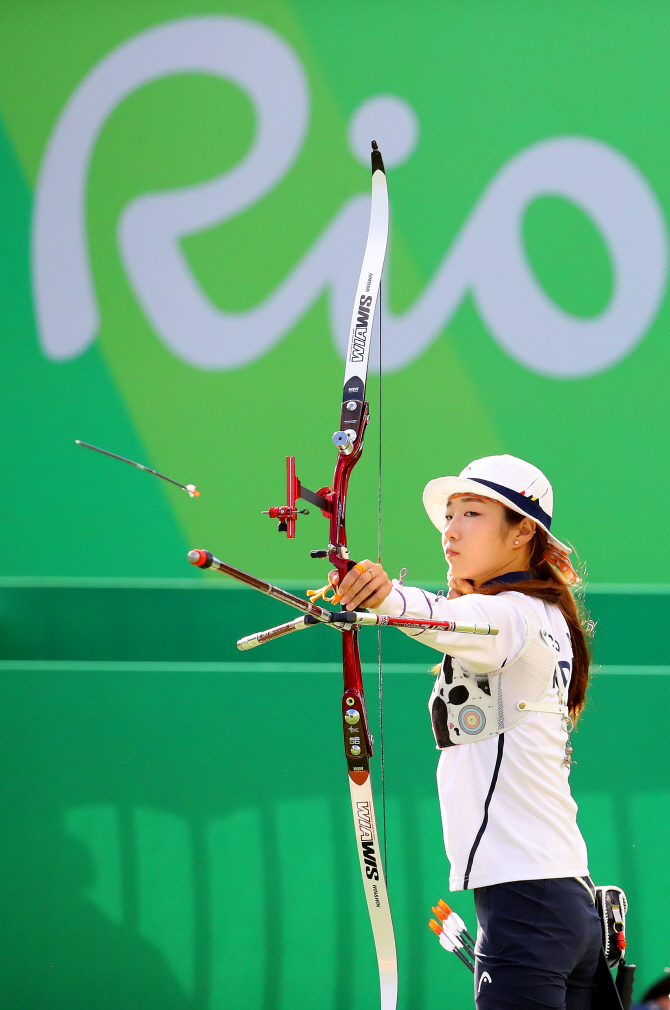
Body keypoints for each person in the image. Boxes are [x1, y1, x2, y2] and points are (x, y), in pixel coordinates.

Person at [331, 454, 601, 1010]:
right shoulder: (540, 615)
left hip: (527, 905)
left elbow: (463, 620)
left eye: (472, 513)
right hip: (561, 901)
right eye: (449, 515)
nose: (451, 531)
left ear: (523, 531)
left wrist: (384, 598)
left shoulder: (516, 614)